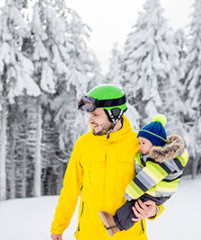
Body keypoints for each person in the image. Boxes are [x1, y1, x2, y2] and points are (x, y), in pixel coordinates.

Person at [50, 84, 163, 240]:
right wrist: (58, 227)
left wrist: (155, 210)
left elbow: (159, 185)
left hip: (129, 236)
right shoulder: (83, 144)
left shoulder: (138, 145)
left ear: (114, 113)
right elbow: (70, 189)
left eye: (95, 115)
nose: (90, 120)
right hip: (89, 235)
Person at [98, 114, 189, 237]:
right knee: (137, 204)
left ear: (155, 144)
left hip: (158, 192)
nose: (140, 147)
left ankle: (117, 224)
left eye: (143, 143)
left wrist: (131, 193)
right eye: (139, 143)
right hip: (157, 191)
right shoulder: (154, 156)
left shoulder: (161, 160)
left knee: (136, 206)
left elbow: (148, 178)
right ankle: (116, 223)